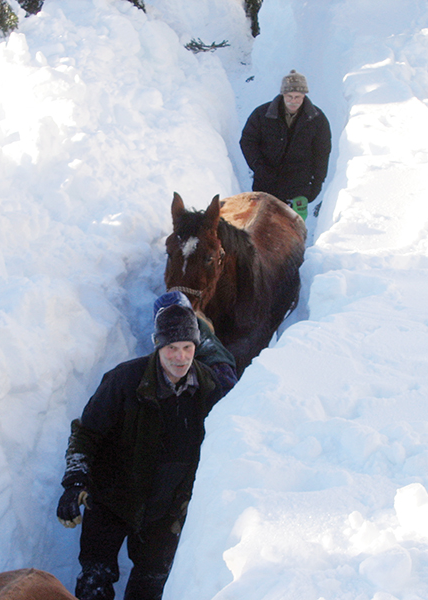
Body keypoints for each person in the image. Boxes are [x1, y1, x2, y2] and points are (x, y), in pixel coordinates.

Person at [56, 292, 236, 600]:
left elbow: (226, 445)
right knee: (94, 582)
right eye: (171, 348)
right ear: (157, 346)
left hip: (165, 512)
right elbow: (87, 433)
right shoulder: (125, 380)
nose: (180, 357)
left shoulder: (209, 389)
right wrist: (75, 482)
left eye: (187, 348)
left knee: (150, 587)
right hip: (112, 499)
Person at [240, 69, 332, 220]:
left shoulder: (317, 119)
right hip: (266, 182)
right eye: (289, 96)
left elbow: (322, 152)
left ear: (304, 96)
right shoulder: (262, 114)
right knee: (262, 227)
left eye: (298, 97)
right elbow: (248, 141)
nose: (293, 101)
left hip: (299, 185)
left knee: (294, 229)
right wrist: (258, 166)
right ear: (282, 94)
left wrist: (317, 182)